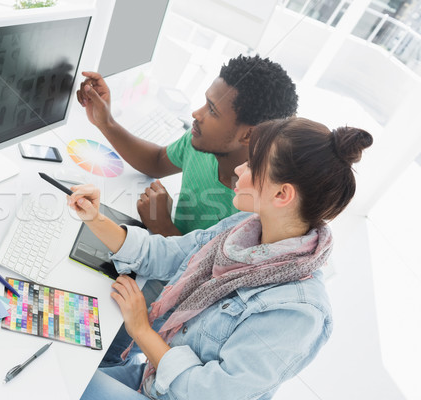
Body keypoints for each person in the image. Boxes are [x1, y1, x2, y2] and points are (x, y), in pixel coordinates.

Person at [67, 117, 373, 399]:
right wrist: (94, 217)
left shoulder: (299, 312)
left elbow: (206, 393)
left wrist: (141, 329)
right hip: (153, 378)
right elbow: (165, 255)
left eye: (253, 165)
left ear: (282, 195)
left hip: (173, 391)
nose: (240, 169)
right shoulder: (241, 228)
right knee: (62, 369)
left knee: (59, 384)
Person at [76, 55, 298, 237]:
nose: (197, 114)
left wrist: (164, 228)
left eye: (212, 110)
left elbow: (213, 278)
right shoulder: (202, 144)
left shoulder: (259, 211)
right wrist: (106, 122)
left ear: (248, 134)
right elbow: (156, 161)